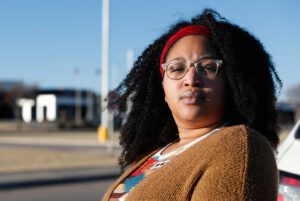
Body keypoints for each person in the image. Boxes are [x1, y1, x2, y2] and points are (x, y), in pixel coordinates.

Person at [102, 9, 281, 201]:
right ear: (163, 90)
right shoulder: (157, 155)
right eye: (177, 68)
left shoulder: (238, 147)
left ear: (232, 81)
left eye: (208, 67)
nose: (191, 79)